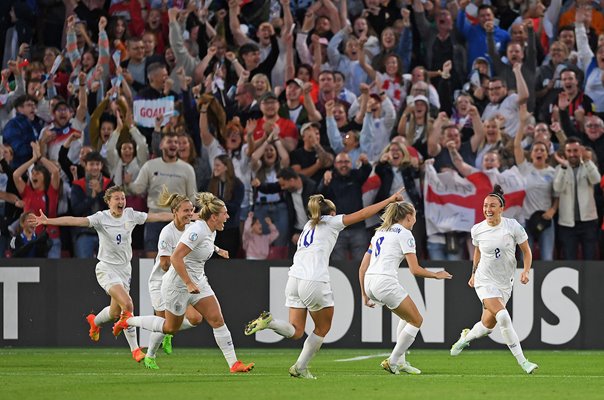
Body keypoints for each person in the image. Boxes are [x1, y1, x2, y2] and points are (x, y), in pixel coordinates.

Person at [243, 189, 404, 379]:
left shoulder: (308, 226)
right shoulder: (331, 222)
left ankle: (271, 322)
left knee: (296, 331)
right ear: (332, 213)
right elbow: (362, 214)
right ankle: (300, 368)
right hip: (314, 280)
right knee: (322, 328)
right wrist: (389, 200)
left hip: (294, 278)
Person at [112, 192, 254, 373]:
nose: (227, 216)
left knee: (217, 319)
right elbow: (175, 257)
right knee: (170, 328)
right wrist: (187, 283)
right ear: (213, 216)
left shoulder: (209, 230)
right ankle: (129, 320)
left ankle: (234, 364)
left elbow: (203, 246)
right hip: (177, 284)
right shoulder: (197, 230)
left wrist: (218, 250)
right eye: (224, 213)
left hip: (199, 282)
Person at [34, 186, 172, 363]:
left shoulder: (131, 215)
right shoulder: (101, 218)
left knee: (115, 312)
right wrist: (49, 221)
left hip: (124, 270)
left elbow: (156, 217)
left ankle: (95, 322)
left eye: (123, 198)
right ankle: (136, 350)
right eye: (117, 198)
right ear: (108, 201)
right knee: (127, 305)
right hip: (106, 268)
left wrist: (180, 217)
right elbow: (75, 221)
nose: (121, 202)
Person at [449, 185, 539, 375]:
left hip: (505, 283)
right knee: (504, 316)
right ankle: (524, 362)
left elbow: (526, 251)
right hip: (484, 280)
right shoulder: (477, 230)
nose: (488, 209)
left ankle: (466, 337)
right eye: (485, 206)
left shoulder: (513, 226)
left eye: (492, 206)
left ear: (501, 208)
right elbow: (478, 252)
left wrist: (526, 271)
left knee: (487, 326)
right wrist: (474, 273)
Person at [358, 201, 452, 375]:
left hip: (370, 282)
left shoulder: (380, 232)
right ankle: (393, 361)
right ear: (409, 216)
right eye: (415, 215)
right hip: (385, 282)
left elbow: (363, 267)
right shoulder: (405, 234)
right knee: (417, 320)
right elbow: (415, 270)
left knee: (407, 317)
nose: (415, 219)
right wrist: (435, 275)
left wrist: (364, 293)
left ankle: (400, 361)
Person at [143, 187, 205, 370]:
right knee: (163, 325)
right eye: (186, 210)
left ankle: (170, 334)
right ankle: (150, 356)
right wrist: (179, 262)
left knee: (196, 318)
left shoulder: (191, 229)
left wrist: (217, 250)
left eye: (191, 210)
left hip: (178, 281)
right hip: (161, 282)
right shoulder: (167, 233)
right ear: (175, 212)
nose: (190, 213)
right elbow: (163, 264)